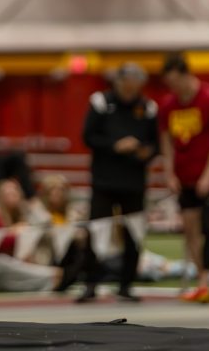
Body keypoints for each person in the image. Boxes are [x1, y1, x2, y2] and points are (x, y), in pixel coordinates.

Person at [77, 62, 159, 303]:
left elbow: (155, 143)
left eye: (136, 84)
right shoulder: (101, 103)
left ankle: (126, 284)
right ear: (119, 82)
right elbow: (88, 137)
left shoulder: (148, 108)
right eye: (127, 83)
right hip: (104, 180)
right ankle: (90, 283)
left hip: (133, 181)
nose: (131, 89)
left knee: (134, 234)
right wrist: (115, 145)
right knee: (96, 231)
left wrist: (147, 152)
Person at [159, 52, 209, 305]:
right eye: (169, 84)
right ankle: (201, 275)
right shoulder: (169, 104)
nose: (173, 88)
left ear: (186, 75)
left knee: (207, 228)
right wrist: (168, 172)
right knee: (189, 228)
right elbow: (166, 139)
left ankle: (204, 281)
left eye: (176, 82)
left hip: (207, 175)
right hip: (183, 176)